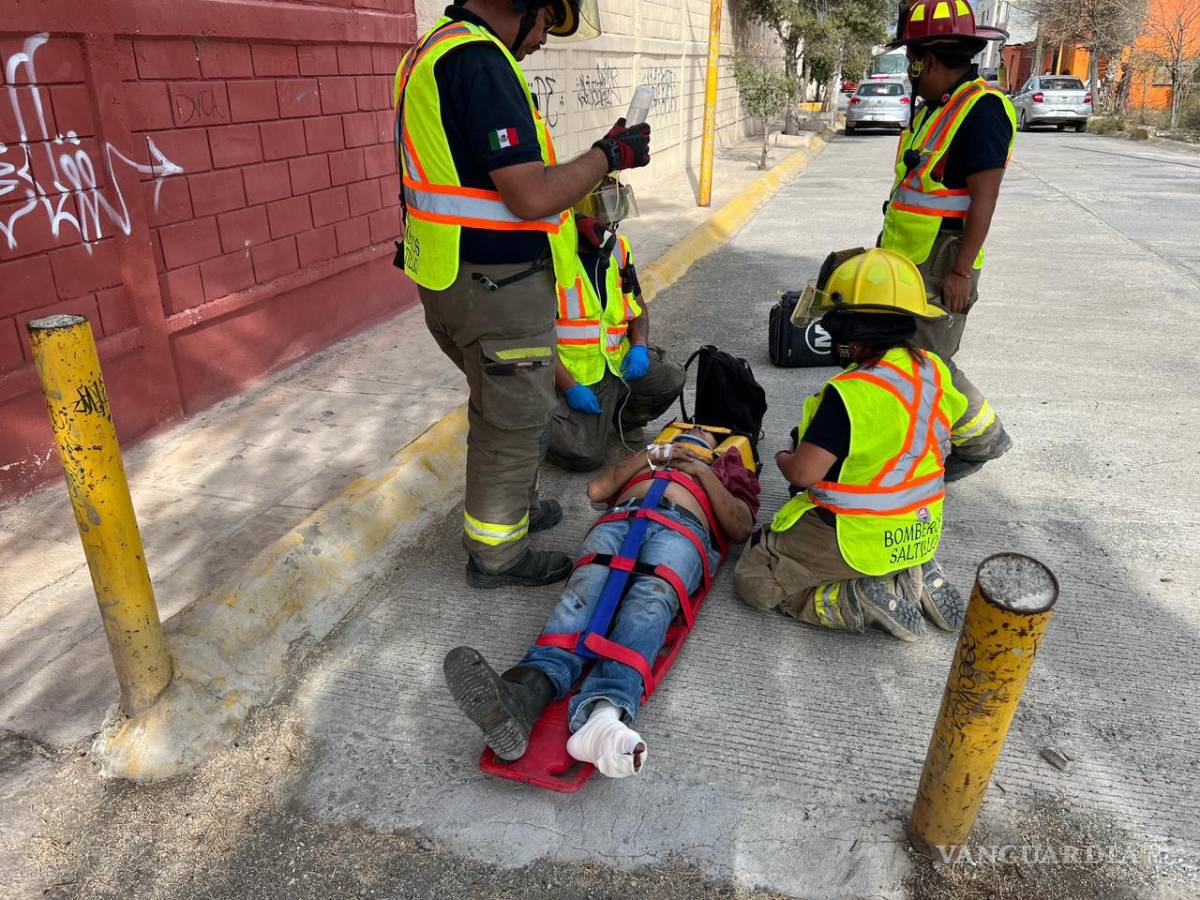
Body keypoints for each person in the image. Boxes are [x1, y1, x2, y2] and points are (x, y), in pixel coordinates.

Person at [394, 0, 652, 589]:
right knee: (508, 426)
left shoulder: (429, 52)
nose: (541, 39)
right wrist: (609, 156)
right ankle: (497, 555)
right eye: (543, 22)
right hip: (495, 286)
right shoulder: (481, 62)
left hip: (449, 276)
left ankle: (517, 505)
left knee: (506, 408)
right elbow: (531, 196)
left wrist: (598, 155)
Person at [444, 426, 759, 778]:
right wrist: (651, 457)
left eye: (705, 432)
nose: (697, 430)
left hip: (681, 530)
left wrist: (701, 469)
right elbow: (597, 491)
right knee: (581, 593)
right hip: (620, 518)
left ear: (717, 446)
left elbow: (740, 527)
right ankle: (523, 696)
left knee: (650, 600)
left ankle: (605, 716)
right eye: (691, 427)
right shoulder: (648, 458)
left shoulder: (726, 467)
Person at [735, 248, 968, 641]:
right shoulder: (930, 368)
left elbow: (805, 474)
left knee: (754, 579)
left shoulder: (850, 394)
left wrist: (783, 458)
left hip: (854, 537)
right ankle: (913, 571)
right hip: (919, 529)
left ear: (853, 334)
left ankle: (856, 597)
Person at [880, 0, 1017, 481]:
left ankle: (981, 438)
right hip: (910, 260)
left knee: (929, 363)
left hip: (944, 261)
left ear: (930, 59)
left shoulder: (981, 110)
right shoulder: (937, 106)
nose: (910, 71)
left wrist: (962, 270)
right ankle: (910, 437)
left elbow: (985, 196)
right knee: (903, 354)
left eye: (912, 60)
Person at [548, 212, 685, 471]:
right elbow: (535, 338)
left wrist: (640, 347)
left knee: (671, 378)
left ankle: (625, 418)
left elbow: (637, 304)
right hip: (573, 375)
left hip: (615, 362)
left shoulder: (618, 248)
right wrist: (569, 387)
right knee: (584, 455)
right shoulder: (550, 259)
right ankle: (542, 417)